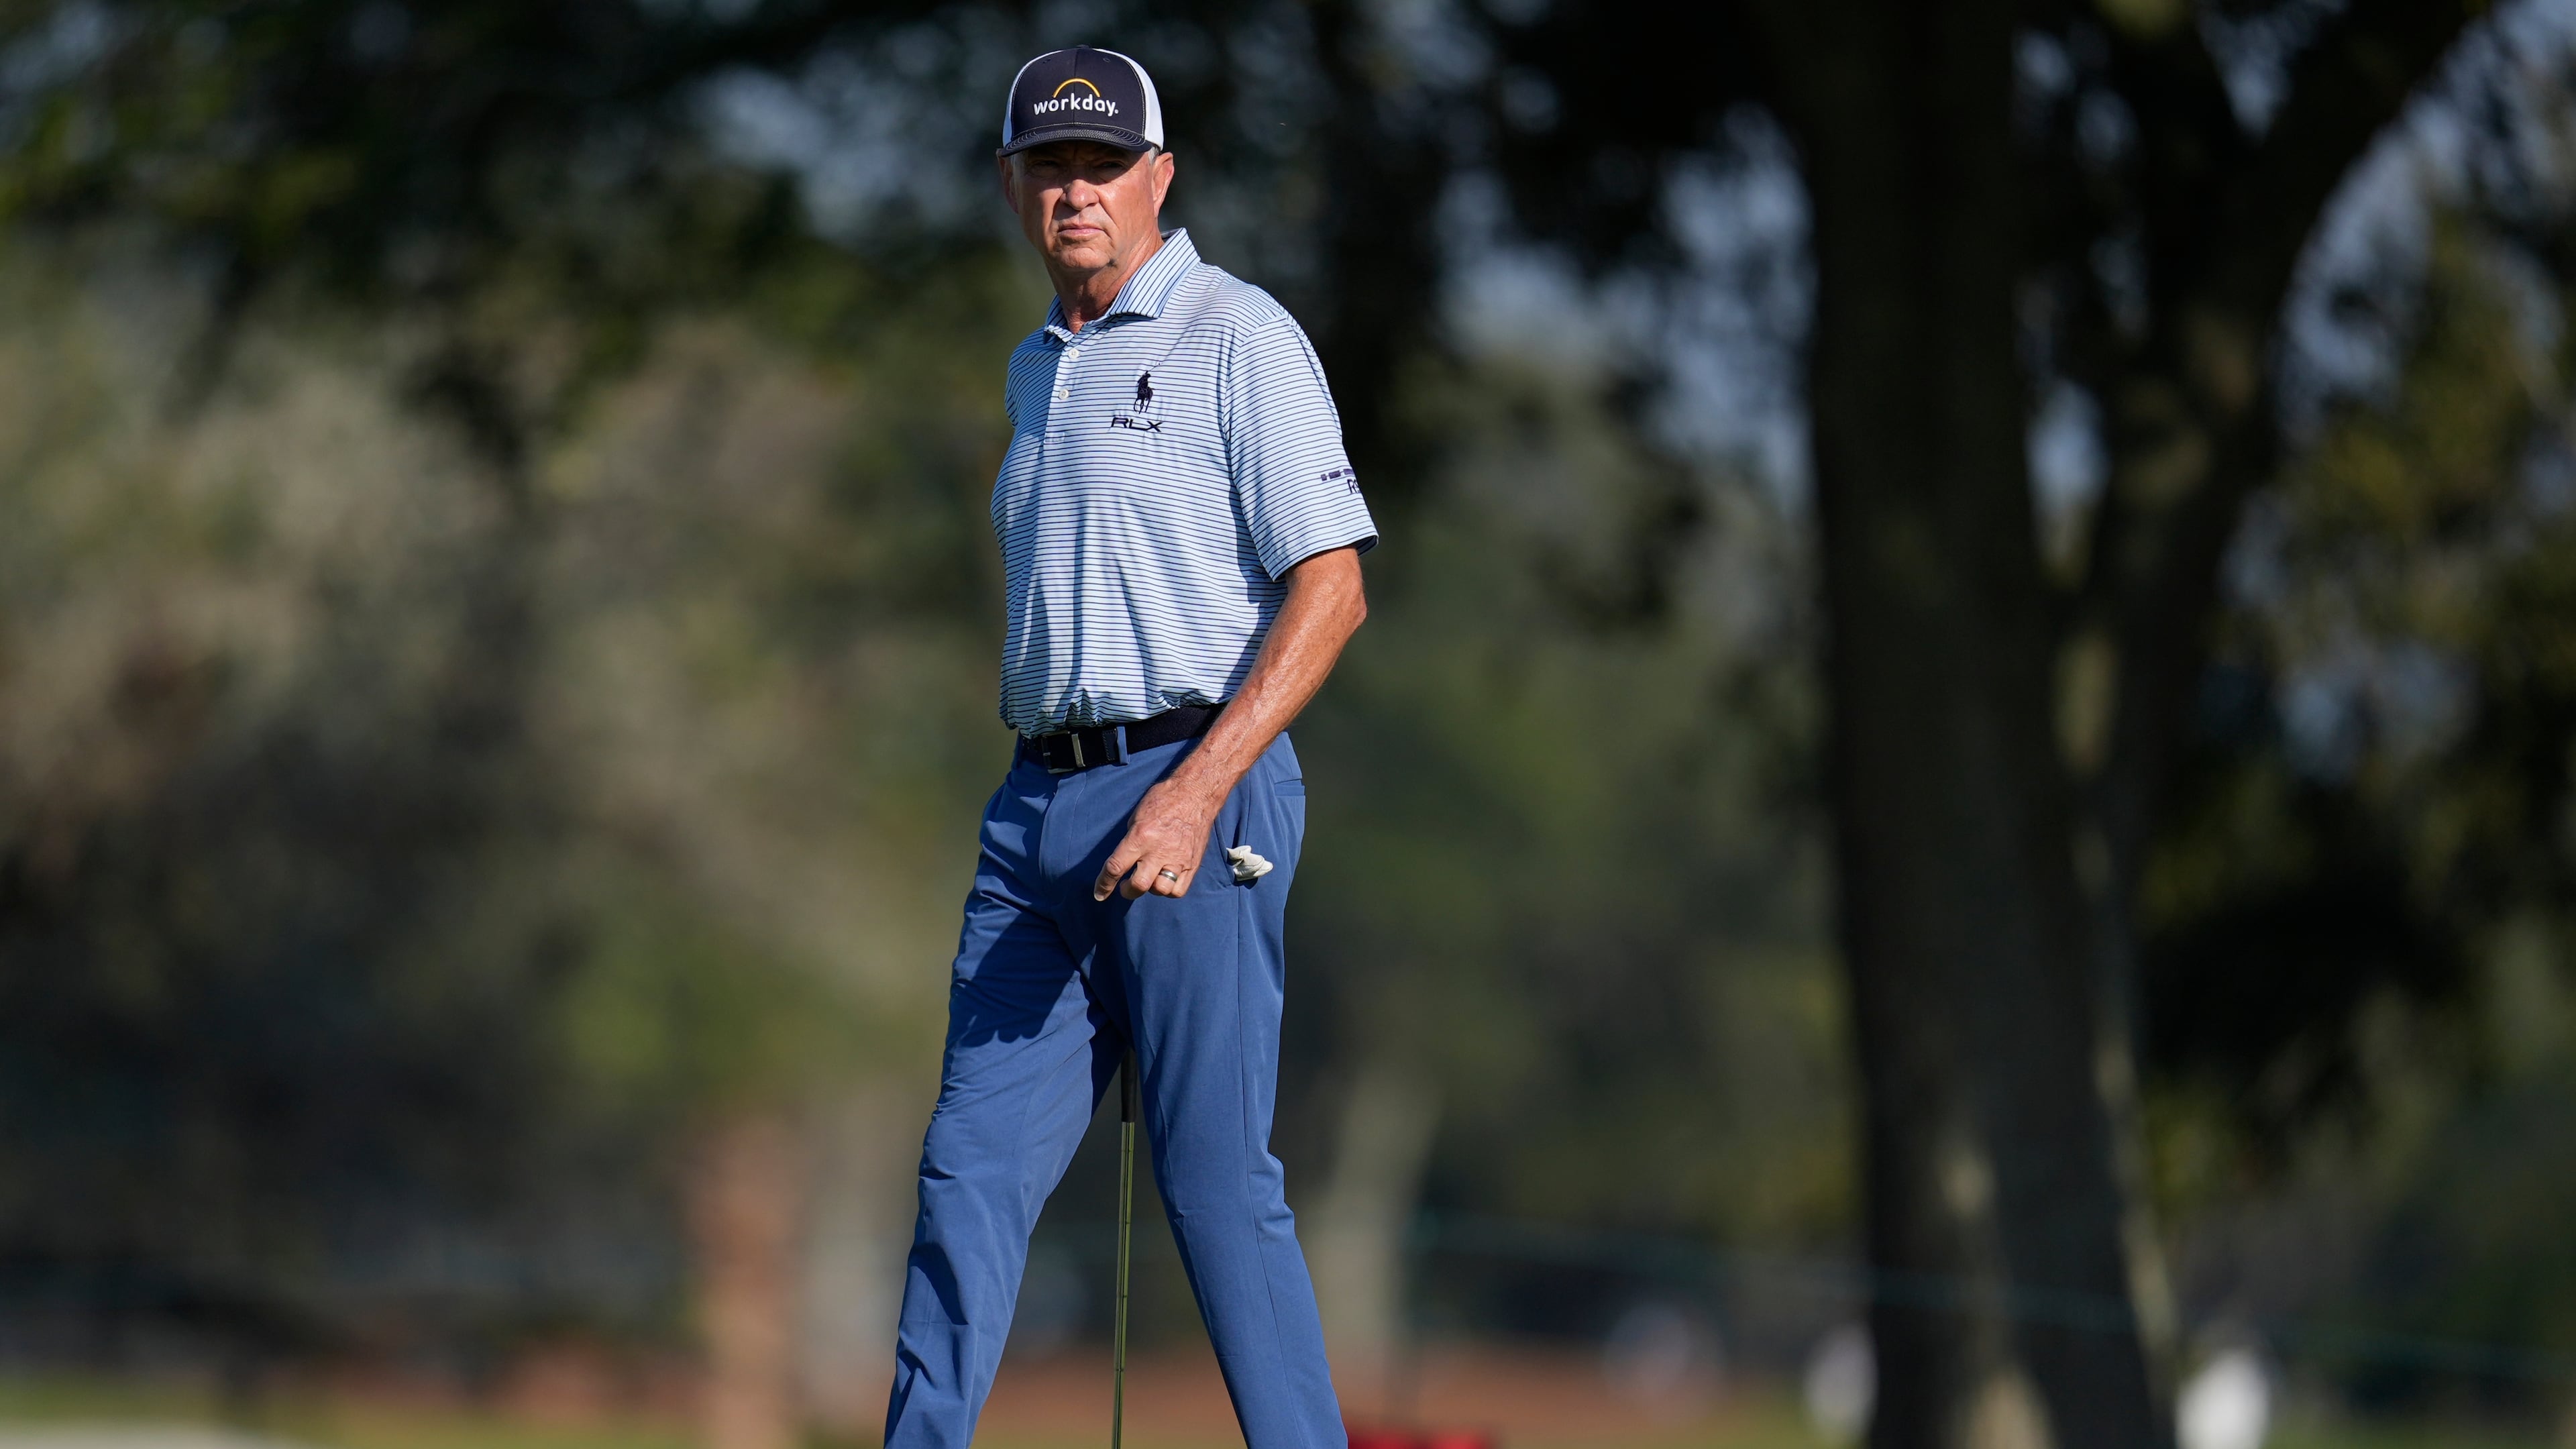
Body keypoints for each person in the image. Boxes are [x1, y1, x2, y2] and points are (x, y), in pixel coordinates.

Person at [881, 43, 1376, 1449]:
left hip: (1197, 798)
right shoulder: (1040, 366)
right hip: (1034, 808)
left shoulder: (1239, 333)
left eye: (1103, 167)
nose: (1077, 192)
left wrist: (1194, 791)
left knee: (1217, 1184)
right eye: (1051, 168)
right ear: (1014, 186)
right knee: (966, 1173)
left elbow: (1331, 587)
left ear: (1159, 177)